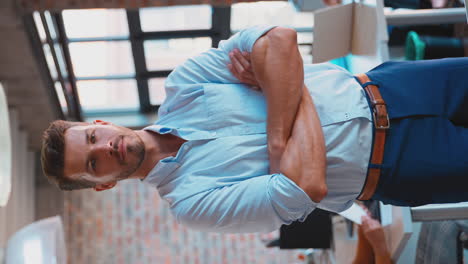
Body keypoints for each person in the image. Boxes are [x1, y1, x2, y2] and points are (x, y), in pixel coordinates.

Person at [41, 25, 468, 233]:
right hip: (401, 165)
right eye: (93, 164)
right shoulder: (192, 204)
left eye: (93, 137)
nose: (107, 148)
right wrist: (278, 83)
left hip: (394, 85)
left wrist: (279, 140)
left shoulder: (186, 84)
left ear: (97, 123)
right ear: (102, 185)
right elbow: (309, 186)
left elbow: (279, 40)